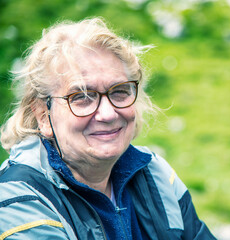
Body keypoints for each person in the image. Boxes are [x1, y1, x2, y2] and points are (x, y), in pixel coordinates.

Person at [0, 18, 216, 240]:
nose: (108, 114)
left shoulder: (157, 176)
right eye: (82, 96)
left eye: (119, 91)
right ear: (43, 116)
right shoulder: (18, 199)